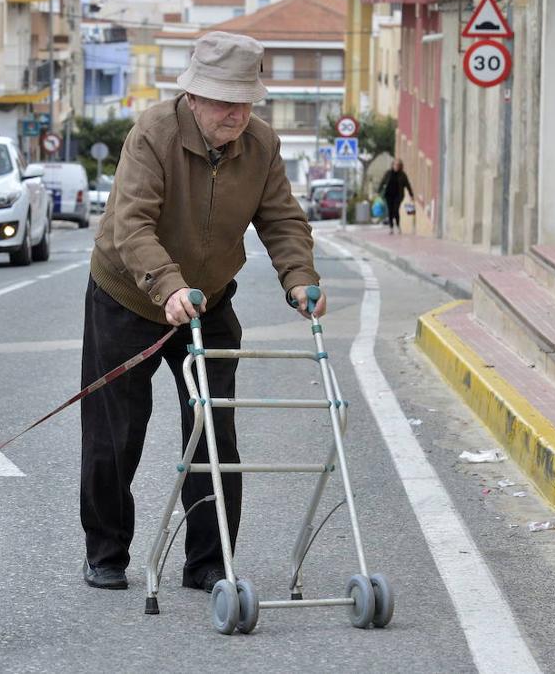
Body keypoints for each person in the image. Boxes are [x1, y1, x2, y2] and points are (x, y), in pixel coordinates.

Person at [80, 31, 325, 593]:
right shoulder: (154, 134)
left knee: (213, 430)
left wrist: (300, 279)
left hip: (207, 300)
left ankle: (208, 563)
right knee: (115, 435)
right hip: (128, 295)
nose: (236, 114)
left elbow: (282, 220)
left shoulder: (261, 144)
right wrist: (166, 285)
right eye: (223, 101)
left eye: (245, 102)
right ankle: (107, 553)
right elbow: (132, 224)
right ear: (193, 96)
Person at [377, 159, 414, 234]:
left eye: (398, 165)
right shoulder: (388, 173)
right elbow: (382, 182)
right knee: (390, 211)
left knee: (396, 210)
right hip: (389, 195)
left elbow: (407, 185)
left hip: (398, 195)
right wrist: (378, 191)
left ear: (400, 166)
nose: (396, 166)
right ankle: (391, 227)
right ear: (392, 165)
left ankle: (397, 225)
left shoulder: (402, 175)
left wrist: (411, 194)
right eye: (395, 165)